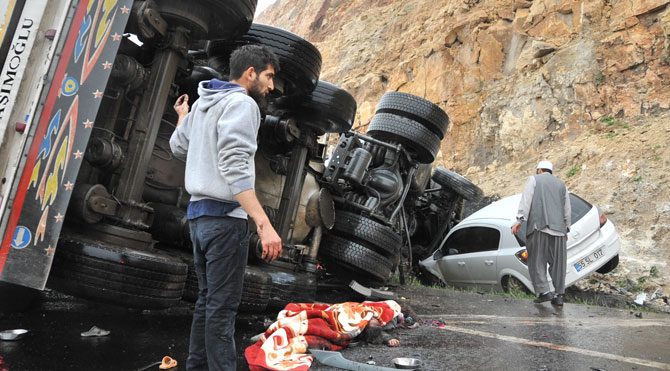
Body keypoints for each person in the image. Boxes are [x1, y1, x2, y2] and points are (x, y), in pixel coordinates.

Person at [170, 44, 282, 371]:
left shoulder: (205, 103)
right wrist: (263, 223)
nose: (271, 86)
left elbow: (178, 147)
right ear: (250, 73)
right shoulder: (242, 104)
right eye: (269, 76)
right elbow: (234, 165)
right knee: (222, 310)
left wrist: (183, 119)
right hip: (224, 221)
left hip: (198, 220)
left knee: (208, 304)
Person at [511, 160, 571, 306]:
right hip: (560, 231)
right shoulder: (561, 184)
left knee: (537, 260)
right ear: (551, 171)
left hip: (540, 227)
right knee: (558, 264)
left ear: (539, 170)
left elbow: (526, 200)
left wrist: (519, 220)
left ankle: (544, 292)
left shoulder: (534, 180)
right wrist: (566, 227)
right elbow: (567, 208)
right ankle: (559, 295)